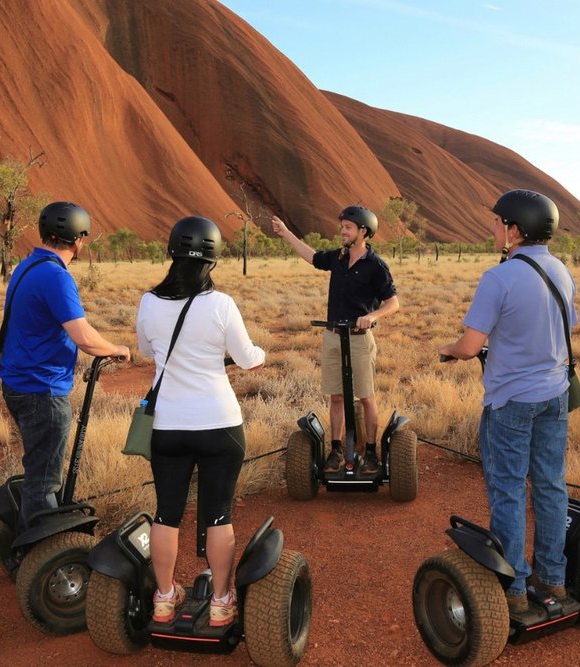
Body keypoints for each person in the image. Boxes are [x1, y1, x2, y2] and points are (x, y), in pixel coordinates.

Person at [438, 189, 576, 614]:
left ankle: (514, 589)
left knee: (509, 489)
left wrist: (450, 349)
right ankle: (553, 577)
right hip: (555, 395)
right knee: (551, 485)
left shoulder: (498, 277)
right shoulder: (562, 271)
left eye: (498, 222)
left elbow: (471, 344)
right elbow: (566, 327)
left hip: (512, 400)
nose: (492, 227)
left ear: (515, 230)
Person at [136, 215, 265, 628]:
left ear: (172, 252)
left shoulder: (148, 302)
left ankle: (164, 597)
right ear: (213, 258)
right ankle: (222, 601)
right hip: (218, 426)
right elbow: (247, 358)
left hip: (168, 428)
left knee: (166, 514)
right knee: (218, 515)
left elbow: (147, 350)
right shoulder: (221, 304)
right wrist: (258, 354)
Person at [0, 201, 131, 532]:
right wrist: (116, 349)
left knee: (38, 470)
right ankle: (42, 558)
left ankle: (31, 533)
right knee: (44, 481)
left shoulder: (24, 267)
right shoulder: (55, 276)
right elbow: (83, 336)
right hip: (41, 389)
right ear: (78, 239)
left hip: (17, 383)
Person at [271, 205, 399, 475]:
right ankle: (337, 450)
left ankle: (372, 453)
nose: (343, 231)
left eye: (348, 227)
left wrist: (373, 316)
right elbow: (313, 257)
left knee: (366, 397)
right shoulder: (338, 258)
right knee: (337, 397)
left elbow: (393, 303)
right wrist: (285, 233)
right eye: (342, 226)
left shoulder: (376, 266)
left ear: (363, 231)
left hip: (359, 339)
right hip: (332, 337)